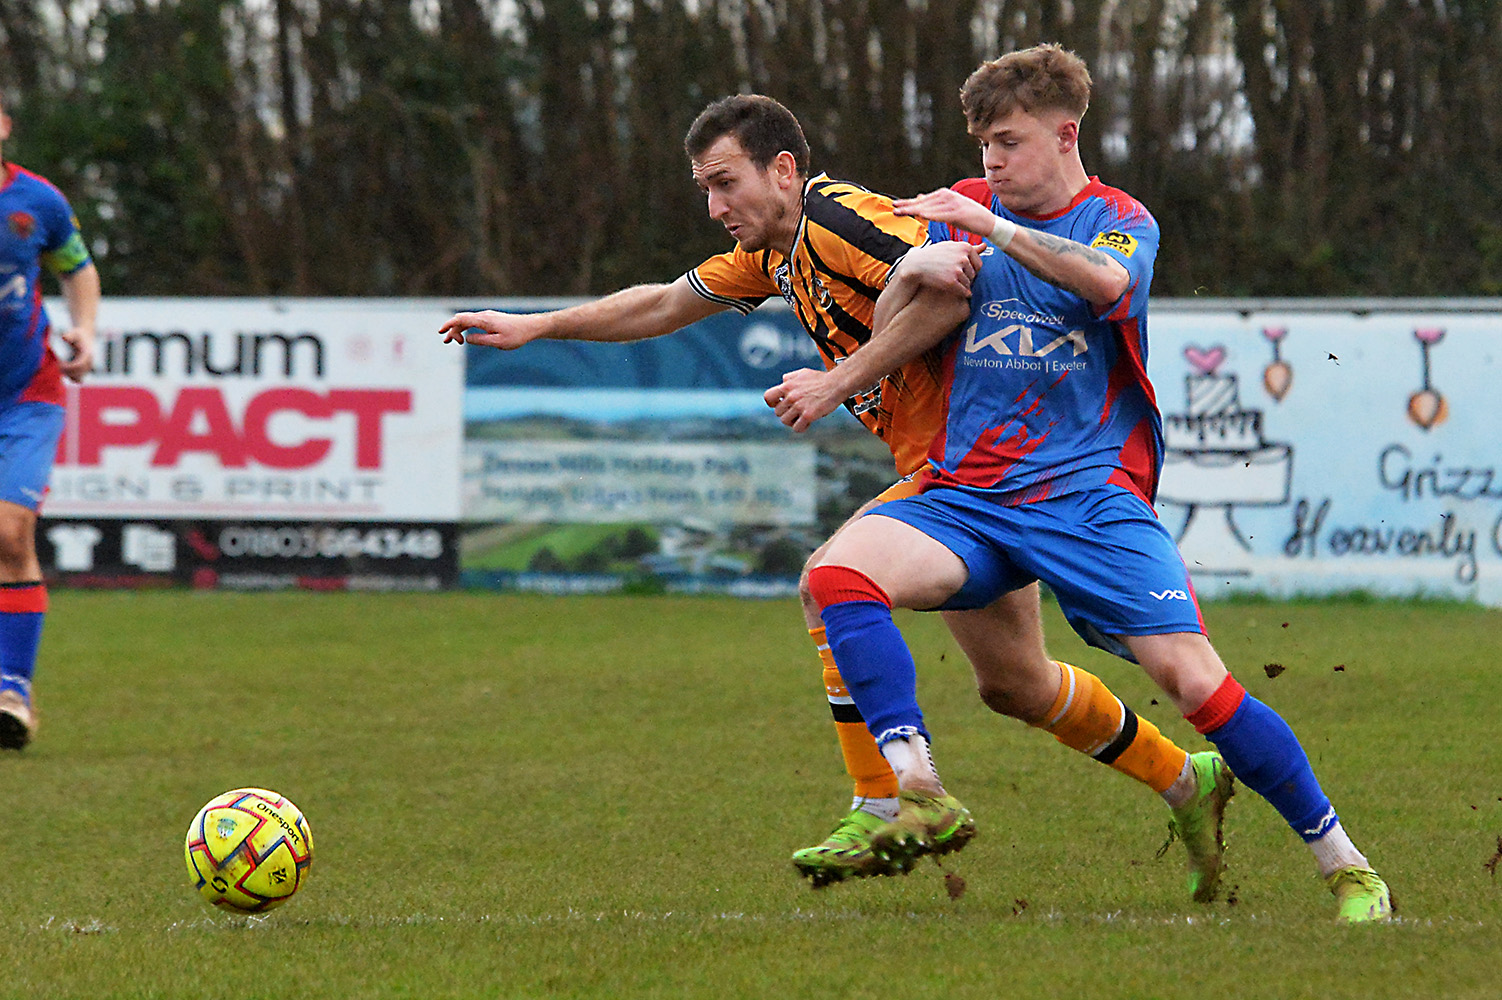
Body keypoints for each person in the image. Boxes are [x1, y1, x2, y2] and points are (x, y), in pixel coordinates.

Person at [439, 93, 1233, 898]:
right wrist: (537, 326)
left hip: (980, 467)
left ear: (784, 170)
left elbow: (952, 286)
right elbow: (664, 302)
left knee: (829, 579)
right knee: (1014, 684)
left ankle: (890, 797)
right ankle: (1184, 781)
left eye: (725, 183)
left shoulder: (838, 215)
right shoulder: (775, 256)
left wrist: (837, 381)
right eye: (704, 190)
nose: (715, 207)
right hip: (960, 476)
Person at [767, 43, 1392, 923]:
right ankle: (916, 787)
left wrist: (993, 231)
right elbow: (930, 312)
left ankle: (1347, 865)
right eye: (983, 143)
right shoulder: (966, 211)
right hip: (970, 496)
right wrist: (909, 277)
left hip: (1088, 501)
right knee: (836, 578)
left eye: (1009, 141)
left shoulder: (1117, 218)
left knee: (1194, 684)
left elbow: (1106, 283)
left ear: (1066, 136)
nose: (990, 160)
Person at [0, 93, 100, 749]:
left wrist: (85, 330)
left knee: (10, 533)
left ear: (4, 127)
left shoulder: (38, 203)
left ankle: (12, 692)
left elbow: (78, 269)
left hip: (26, 393)